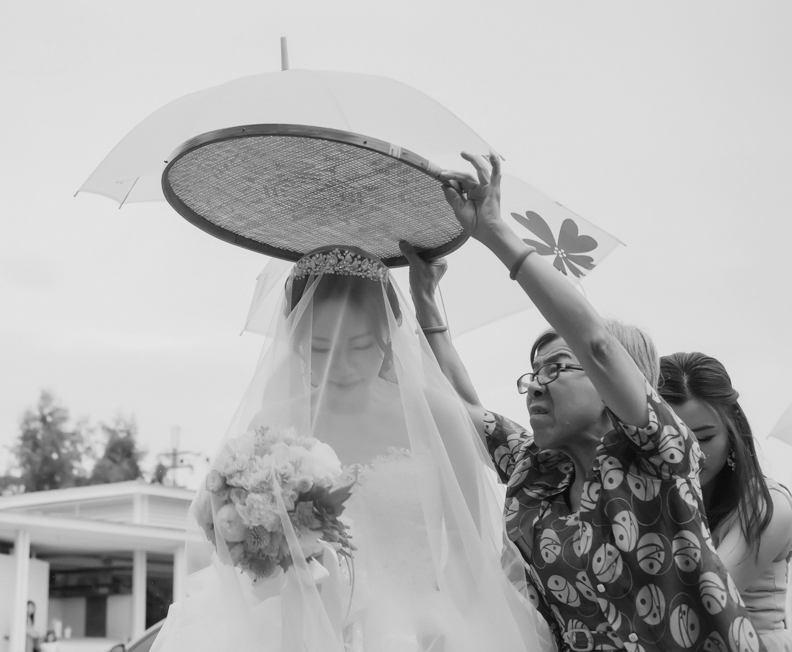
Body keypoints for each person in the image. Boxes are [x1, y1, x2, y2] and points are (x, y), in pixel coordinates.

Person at [403, 151, 765, 651]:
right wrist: (425, 301)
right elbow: (459, 406)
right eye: (533, 372)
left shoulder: (660, 455)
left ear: (611, 382)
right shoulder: (536, 470)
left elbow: (596, 343)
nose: (536, 384)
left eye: (556, 368)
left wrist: (495, 232)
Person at [151, 244, 555, 652]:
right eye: (320, 348)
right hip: (300, 625)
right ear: (295, 338)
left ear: (390, 331)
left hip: (422, 629)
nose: (341, 365)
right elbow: (250, 556)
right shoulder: (271, 427)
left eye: (361, 345)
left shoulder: (439, 417)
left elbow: (470, 549)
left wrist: (450, 627)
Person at [660, 352, 792, 650]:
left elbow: (707, 598)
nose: (690, 453)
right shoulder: (653, 500)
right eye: (673, 438)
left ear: (733, 433)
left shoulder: (768, 504)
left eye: (704, 438)